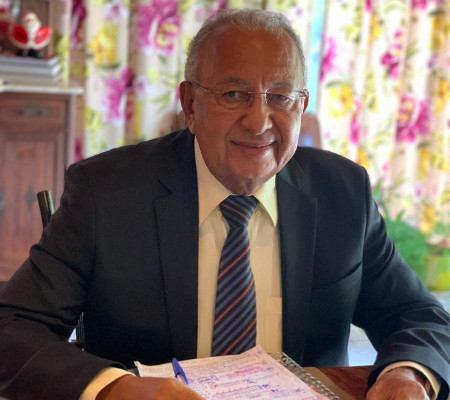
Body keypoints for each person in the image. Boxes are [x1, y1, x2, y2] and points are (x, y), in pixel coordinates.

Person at [0, 9, 449, 400]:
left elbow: (418, 314)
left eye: (280, 97)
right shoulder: (106, 193)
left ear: (302, 106)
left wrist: (408, 373)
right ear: (190, 105)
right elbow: (13, 327)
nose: (259, 121)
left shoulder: (343, 193)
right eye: (233, 94)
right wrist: (113, 388)